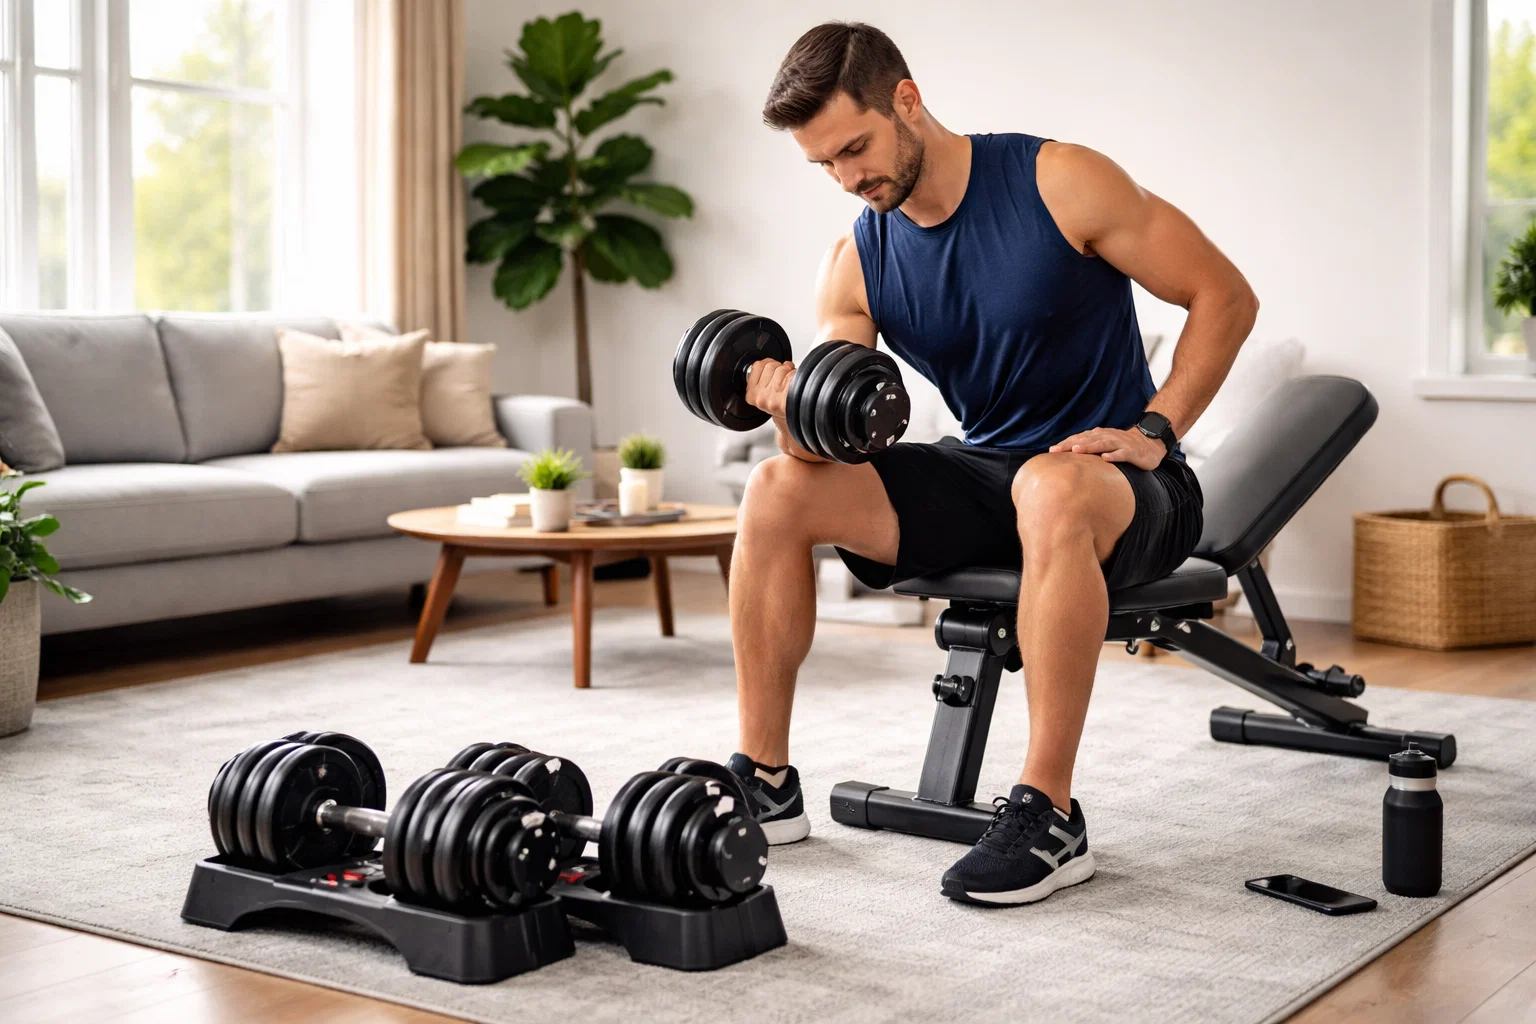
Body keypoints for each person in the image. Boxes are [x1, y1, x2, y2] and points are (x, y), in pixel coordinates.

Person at [720, 21, 1257, 906]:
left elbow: (1224, 294)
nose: (848, 179)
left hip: (1125, 486)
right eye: (824, 165)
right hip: (988, 474)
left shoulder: (1060, 181)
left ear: (907, 100)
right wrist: (784, 402)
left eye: (855, 149)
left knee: (1049, 486)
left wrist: (1157, 429)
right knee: (777, 489)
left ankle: (1050, 814)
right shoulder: (857, 258)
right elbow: (825, 437)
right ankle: (765, 782)